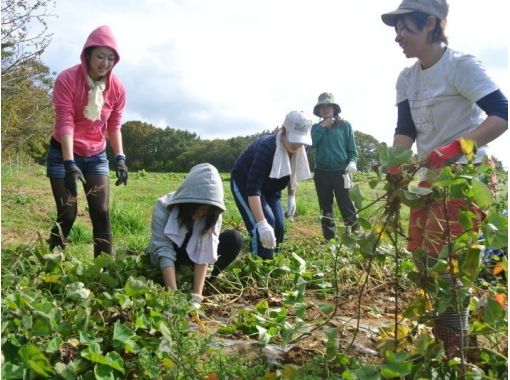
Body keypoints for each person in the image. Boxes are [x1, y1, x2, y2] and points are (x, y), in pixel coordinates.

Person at [381, 0, 508, 358]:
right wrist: (396, 167)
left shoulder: (460, 66)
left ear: (432, 25)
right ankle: (454, 342)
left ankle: (456, 354)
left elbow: (501, 113)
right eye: (397, 29)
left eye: (406, 28)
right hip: (428, 178)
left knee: (448, 266)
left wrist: (457, 148)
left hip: (467, 178)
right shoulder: (407, 78)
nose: (398, 37)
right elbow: (405, 130)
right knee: (423, 260)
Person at [46, 25, 128, 257]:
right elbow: (65, 121)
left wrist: (120, 157)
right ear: (88, 54)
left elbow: (113, 125)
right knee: (68, 213)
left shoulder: (117, 88)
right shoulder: (67, 79)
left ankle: (103, 269)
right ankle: (51, 260)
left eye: (111, 58)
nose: (105, 63)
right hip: (63, 152)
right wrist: (69, 163)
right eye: (100, 56)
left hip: (95, 155)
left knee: (101, 211)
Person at [147, 163, 242, 308]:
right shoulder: (163, 206)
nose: (202, 213)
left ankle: (202, 282)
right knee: (167, 253)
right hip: (171, 256)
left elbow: (206, 247)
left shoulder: (214, 212)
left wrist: (197, 296)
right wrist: (173, 297)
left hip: (195, 257)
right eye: (199, 207)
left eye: (207, 209)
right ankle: (171, 281)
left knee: (234, 239)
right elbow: (164, 249)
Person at [231, 111, 312, 259]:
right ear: (283, 130)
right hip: (245, 184)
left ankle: (273, 259)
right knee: (264, 223)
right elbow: (253, 189)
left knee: (279, 227)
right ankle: (259, 266)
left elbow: (292, 173)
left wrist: (291, 196)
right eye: (294, 139)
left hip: (271, 188)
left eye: (301, 140)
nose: (297, 144)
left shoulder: (301, 148)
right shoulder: (266, 148)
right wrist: (261, 223)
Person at [311, 92, 359, 240]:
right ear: (318, 111)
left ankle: (356, 235)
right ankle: (329, 238)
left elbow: (352, 150)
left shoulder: (345, 125)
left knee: (346, 205)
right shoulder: (315, 127)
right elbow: (311, 143)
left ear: (334, 109)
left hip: (342, 172)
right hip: (322, 173)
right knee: (325, 207)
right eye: (322, 107)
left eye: (328, 106)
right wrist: (323, 126)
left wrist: (352, 162)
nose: (325, 109)